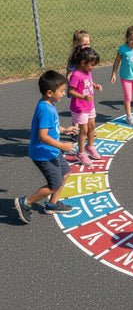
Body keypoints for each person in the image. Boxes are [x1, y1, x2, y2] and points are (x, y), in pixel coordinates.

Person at [15, 71, 78, 224]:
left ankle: (52, 205)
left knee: (65, 173)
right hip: (43, 154)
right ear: (50, 92)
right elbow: (42, 136)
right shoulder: (45, 109)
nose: (64, 94)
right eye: (62, 91)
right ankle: (25, 203)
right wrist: (62, 145)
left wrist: (64, 130)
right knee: (54, 184)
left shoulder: (48, 104)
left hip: (52, 151)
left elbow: (52, 128)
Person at [68, 46, 102, 166]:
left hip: (89, 106)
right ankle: (81, 152)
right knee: (84, 130)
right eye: (91, 65)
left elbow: (88, 81)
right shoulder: (76, 75)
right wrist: (83, 97)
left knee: (92, 127)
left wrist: (94, 85)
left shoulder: (87, 72)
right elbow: (70, 91)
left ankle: (90, 146)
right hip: (80, 107)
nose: (93, 68)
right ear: (83, 63)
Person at [66, 30, 91, 138]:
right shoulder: (74, 58)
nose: (86, 46)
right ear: (76, 44)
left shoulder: (88, 56)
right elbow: (68, 74)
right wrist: (72, 87)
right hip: (76, 88)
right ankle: (75, 130)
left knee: (85, 108)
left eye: (88, 44)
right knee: (77, 110)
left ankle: (87, 130)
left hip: (85, 87)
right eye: (84, 44)